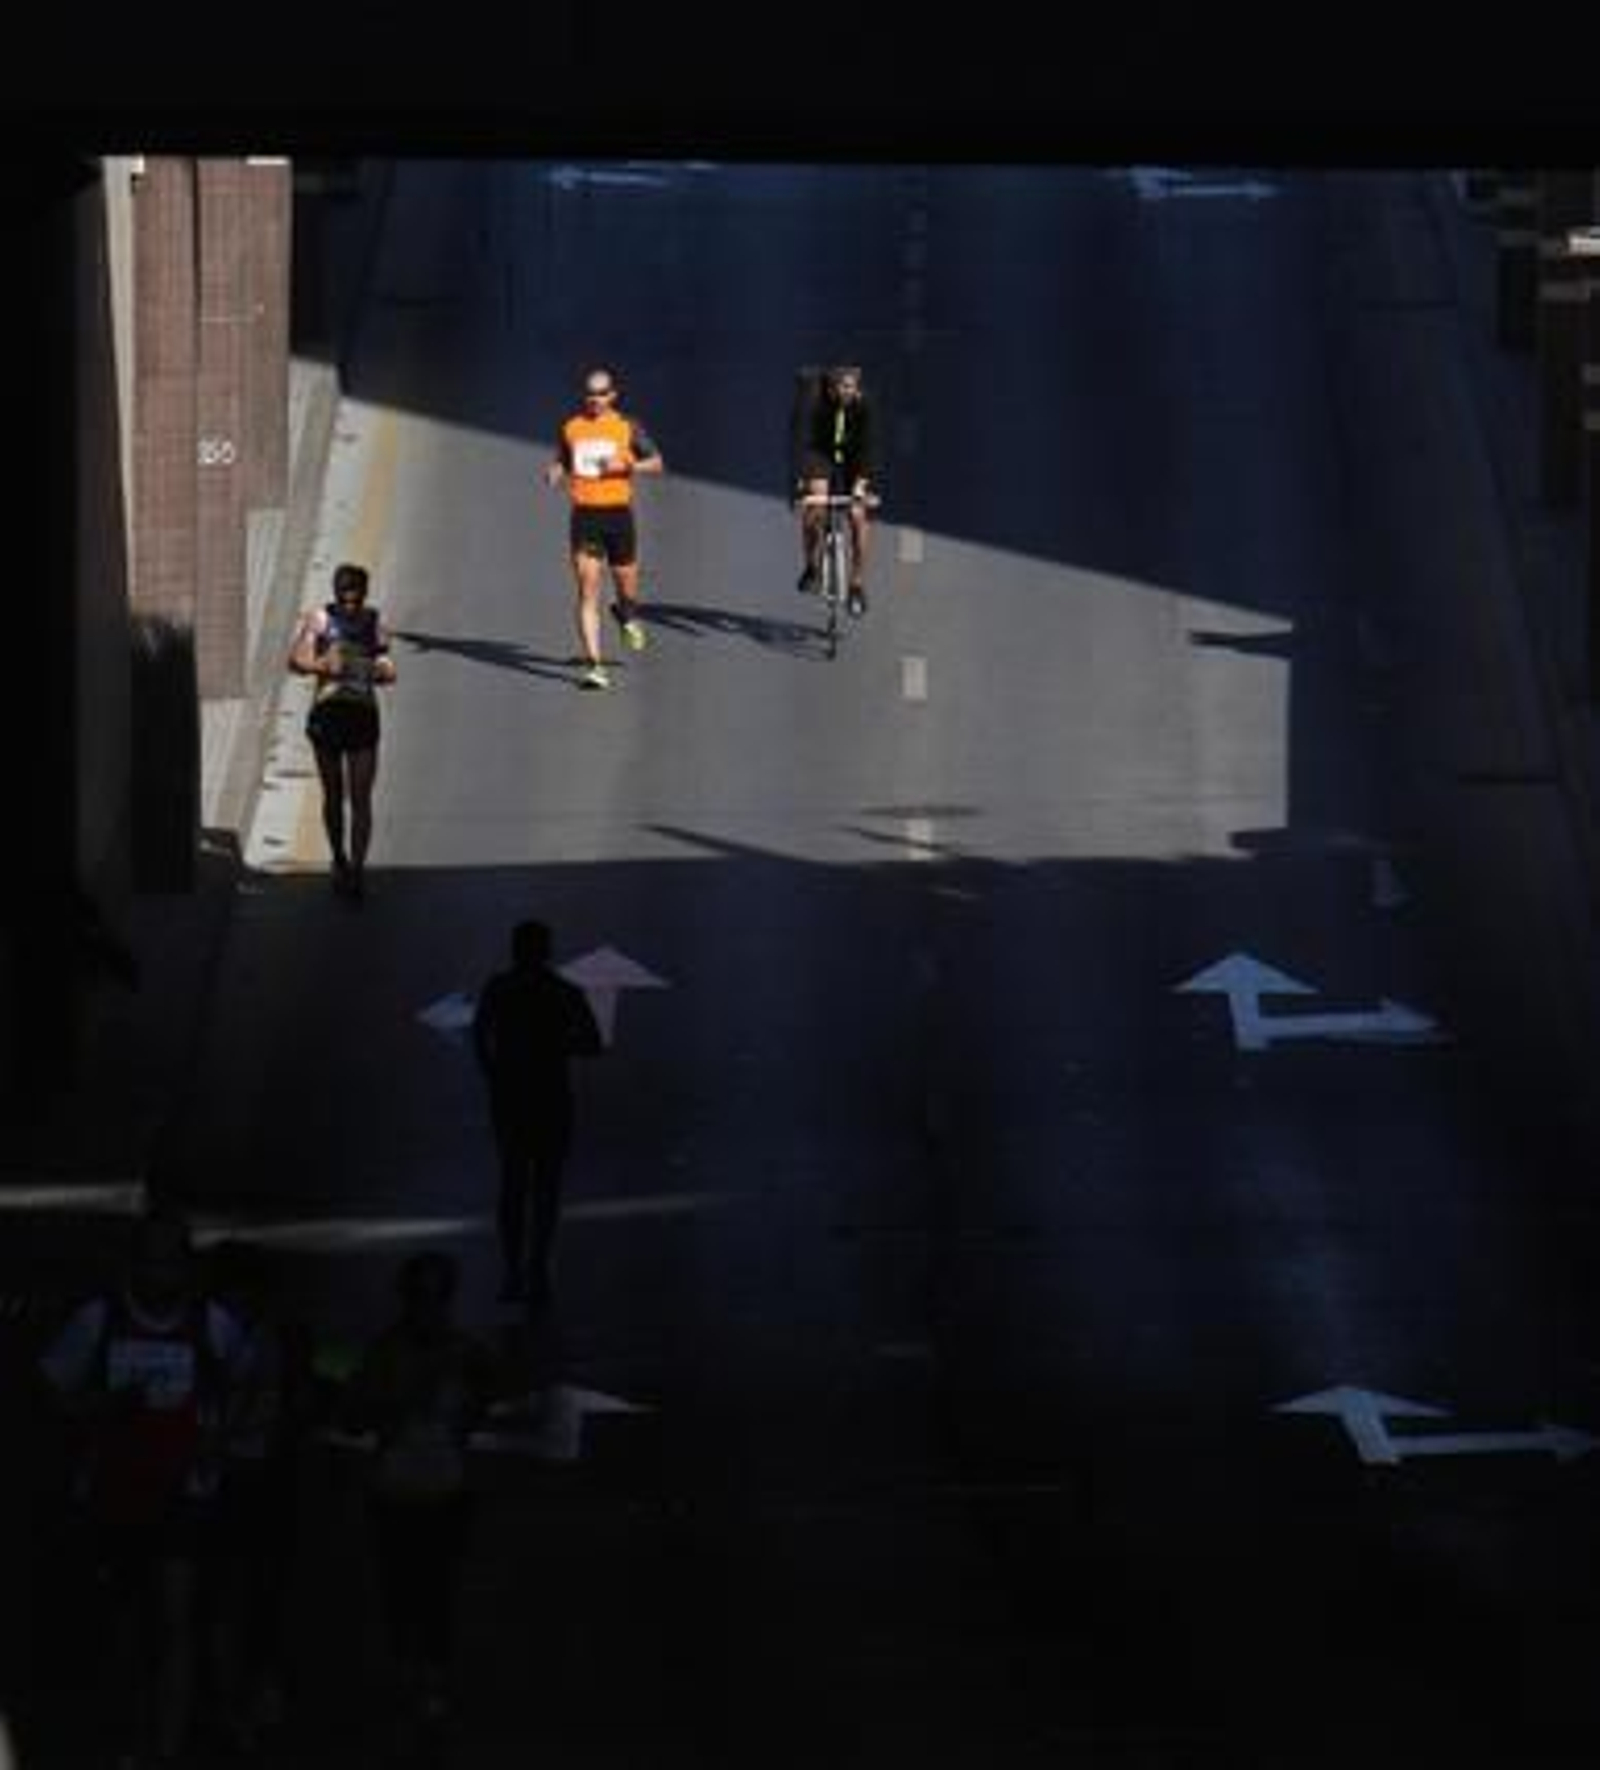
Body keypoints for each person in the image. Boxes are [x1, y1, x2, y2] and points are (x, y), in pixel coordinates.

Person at [37, 1207, 247, 1769]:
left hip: (185, 1496)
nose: (160, 1273)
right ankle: (128, 1736)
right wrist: (98, 1410)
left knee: (176, 1617)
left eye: (171, 1261)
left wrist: (219, 1435)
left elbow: (255, 1382)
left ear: (186, 1266)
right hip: (112, 1493)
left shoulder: (212, 1324)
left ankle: (168, 1748)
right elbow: (51, 1393)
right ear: (133, 1263)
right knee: (124, 1623)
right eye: (150, 1260)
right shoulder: (97, 1320)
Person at [343, 1252, 497, 1736]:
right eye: (422, 1297)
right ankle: (417, 1678)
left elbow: (488, 1398)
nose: (428, 1308)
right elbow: (355, 1413)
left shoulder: (461, 1353)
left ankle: (425, 1679)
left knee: (431, 1589)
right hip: (400, 1489)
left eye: (436, 1297)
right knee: (405, 1588)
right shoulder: (390, 1352)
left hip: (439, 1488)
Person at [202, 1238, 318, 1757]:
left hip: (267, 1481)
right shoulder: (207, 1339)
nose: (239, 1307)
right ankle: (231, 1702)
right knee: (225, 1595)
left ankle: (258, 1691)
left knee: (264, 1591)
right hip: (221, 1480)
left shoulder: (286, 1339)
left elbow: (301, 1405)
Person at [471, 919, 604, 1311]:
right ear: (548, 951)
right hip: (552, 1099)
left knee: (512, 1184)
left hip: (510, 1099)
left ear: (514, 950)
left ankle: (512, 1269)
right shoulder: (564, 993)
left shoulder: (498, 989)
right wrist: (560, 1046)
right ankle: (539, 1266)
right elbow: (593, 1044)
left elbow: (480, 1036)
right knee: (546, 1188)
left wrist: (492, 1073)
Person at [542, 366, 664, 690]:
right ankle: (595, 666)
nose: (594, 400)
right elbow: (564, 459)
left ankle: (626, 614)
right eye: (589, 394)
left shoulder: (627, 427)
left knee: (627, 588)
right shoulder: (572, 427)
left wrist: (628, 465)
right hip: (585, 518)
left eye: (600, 394)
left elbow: (657, 462)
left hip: (618, 516)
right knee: (587, 590)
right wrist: (554, 470)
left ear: (612, 395)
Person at [287, 561, 397, 900]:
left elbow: (388, 667)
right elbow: (295, 659)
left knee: (361, 798)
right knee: (333, 794)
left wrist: (381, 671)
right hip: (328, 716)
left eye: (356, 599)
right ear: (335, 595)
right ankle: (338, 856)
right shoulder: (319, 620)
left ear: (365, 595)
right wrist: (321, 665)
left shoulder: (375, 623)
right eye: (345, 599)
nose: (350, 605)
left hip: (363, 716)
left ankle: (357, 872)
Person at [792, 363, 877, 617]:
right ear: (830, 388)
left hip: (853, 458)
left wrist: (860, 487)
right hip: (819, 452)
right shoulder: (813, 400)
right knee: (814, 507)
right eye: (843, 387)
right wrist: (802, 482)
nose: (848, 392)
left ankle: (857, 584)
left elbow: (869, 448)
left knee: (857, 516)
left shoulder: (864, 406)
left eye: (852, 387)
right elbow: (799, 440)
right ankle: (811, 567)